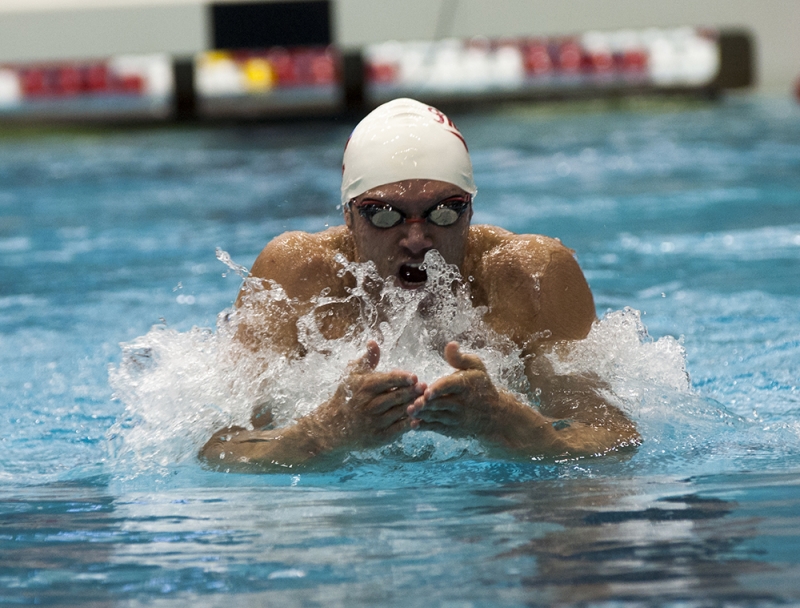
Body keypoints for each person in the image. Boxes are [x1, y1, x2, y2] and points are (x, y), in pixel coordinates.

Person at [201, 98, 640, 471]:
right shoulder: (299, 275)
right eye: (383, 214)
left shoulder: (531, 277)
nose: (416, 239)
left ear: (470, 211)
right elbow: (220, 447)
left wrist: (510, 426)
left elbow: (613, 438)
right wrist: (324, 434)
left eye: (444, 211)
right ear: (349, 216)